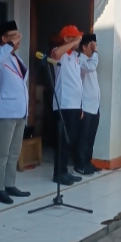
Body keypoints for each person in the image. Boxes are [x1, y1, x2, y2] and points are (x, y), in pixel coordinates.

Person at [0, 20, 31, 204]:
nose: (18, 40)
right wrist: (10, 44)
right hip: (4, 113)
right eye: (14, 37)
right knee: (1, 153)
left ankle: (9, 184)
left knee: (14, 153)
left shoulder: (16, 59)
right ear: (4, 39)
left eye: (19, 36)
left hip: (19, 112)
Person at [50, 25, 85, 185]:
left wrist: (81, 105)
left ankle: (64, 170)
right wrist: (73, 43)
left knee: (70, 140)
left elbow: (78, 82)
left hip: (75, 105)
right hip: (64, 104)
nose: (78, 41)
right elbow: (56, 54)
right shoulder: (59, 53)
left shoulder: (76, 56)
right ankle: (58, 173)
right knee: (62, 140)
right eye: (75, 37)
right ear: (66, 39)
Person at [75, 33, 100, 175]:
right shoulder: (80, 60)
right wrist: (95, 53)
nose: (94, 48)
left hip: (94, 106)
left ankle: (87, 162)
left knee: (90, 137)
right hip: (85, 106)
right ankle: (79, 164)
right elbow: (91, 67)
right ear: (84, 47)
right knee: (82, 138)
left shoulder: (91, 61)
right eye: (92, 45)